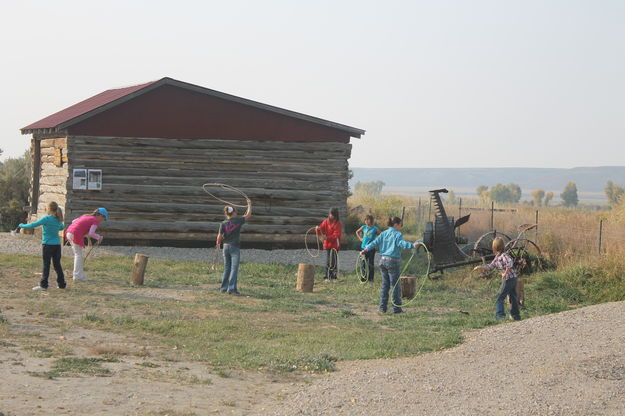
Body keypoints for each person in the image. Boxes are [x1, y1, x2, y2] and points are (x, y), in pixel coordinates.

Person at [362, 216, 418, 314]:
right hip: (393, 262)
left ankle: (382, 308)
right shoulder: (397, 234)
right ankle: (397, 309)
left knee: (385, 285)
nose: (401, 227)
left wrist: (365, 250)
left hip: (383, 261)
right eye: (401, 225)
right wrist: (412, 245)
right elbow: (401, 244)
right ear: (396, 225)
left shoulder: (383, 233)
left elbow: (374, 242)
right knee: (395, 286)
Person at [18, 201, 66, 291]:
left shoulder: (46, 219)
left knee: (46, 265)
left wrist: (22, 225)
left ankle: (43, 285)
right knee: (57, 265)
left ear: (49, 209)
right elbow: (61, 227)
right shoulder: (58, 220)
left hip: (47, 245)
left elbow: (33, 225)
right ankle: (62, 284)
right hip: (57, 245)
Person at [473, 237, 521, 321]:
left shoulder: (504, 256)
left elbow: (509, 263)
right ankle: (515, 316)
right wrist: (480, 267)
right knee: (513, 297)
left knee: (499, 297)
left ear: (494, 247)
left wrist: (505, 273)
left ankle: (500, 316)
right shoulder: (497, 257)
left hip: (508, 279)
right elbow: (490, 267)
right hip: (513, 278)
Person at [216, 200, 252, 295]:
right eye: (236, 212)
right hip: (234, 247)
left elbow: (219, 238)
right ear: (234, 212)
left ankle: (223, 288)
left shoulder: (223, 223)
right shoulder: (238, 220)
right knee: (234, 268)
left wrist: (218, 243)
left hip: (225, 247)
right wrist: (249, 205)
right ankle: (231, 289)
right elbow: (248, 215)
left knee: (227, 267)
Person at [65, 208, 108, 282]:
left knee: (78, 254)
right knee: (78, 255)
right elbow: (91, 234)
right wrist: (98, 237)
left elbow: (74, 221)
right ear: (100, 215)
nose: (103, 220)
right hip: (75, 234)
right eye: (103, 218)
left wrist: (83, 230)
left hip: (69, 232)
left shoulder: (85, 216)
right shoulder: (95, 220)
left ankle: (78, 275)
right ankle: (77, 276)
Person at [316, 208, 342, 280]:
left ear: (335, 215)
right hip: (327, 244)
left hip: (335, 245)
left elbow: (336, 235)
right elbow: (321, 231)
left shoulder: (338, 224)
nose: (331, 215)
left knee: (333, 261)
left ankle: (334, 277)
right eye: (330, 214)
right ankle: (327, 276)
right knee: (328, 261)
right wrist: (317, 229)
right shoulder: (325, 222)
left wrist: (326, 237)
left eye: (332, 214)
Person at [355, 214, 381, 282]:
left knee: (370, 263)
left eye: (368, 219)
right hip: (363, 248)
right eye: (365, 219)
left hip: (371, 249)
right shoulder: (363, 227)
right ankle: (363, 278)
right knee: (363, 263)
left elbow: (381, 235)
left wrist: (377, 242)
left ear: (371, 220)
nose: (366, 221)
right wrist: (360, 238)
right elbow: (357, 232)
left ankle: (371, 279)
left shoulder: (375, 228)